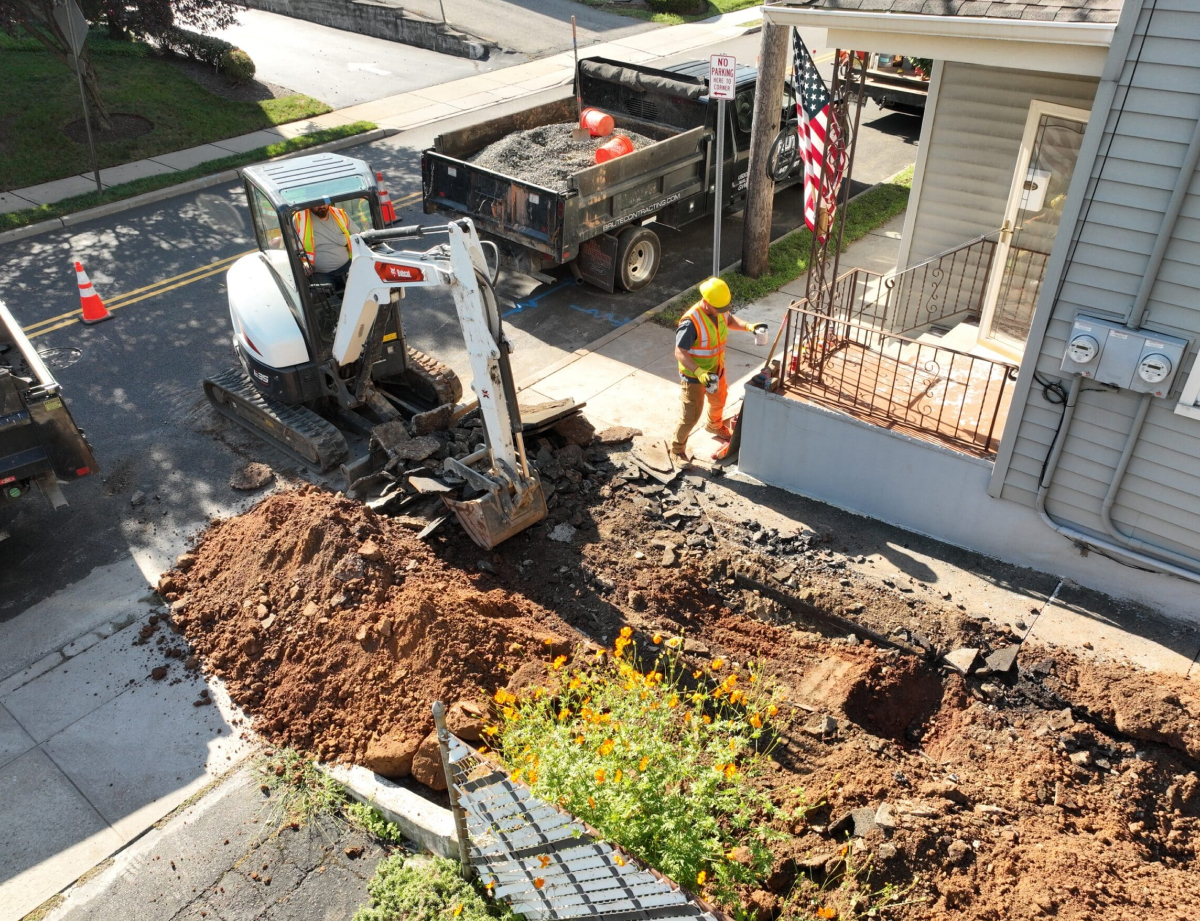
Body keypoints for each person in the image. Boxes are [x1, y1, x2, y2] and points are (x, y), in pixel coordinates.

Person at [671, 277, 764, 460]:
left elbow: (729, 320)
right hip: (694, 377)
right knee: (691, 416)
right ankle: (677, 450)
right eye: (718, 309)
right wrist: (699, 372)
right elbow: (680, 351)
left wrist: (748, 326)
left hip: (716, 370)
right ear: (706, 302)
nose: (722, 312)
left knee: (719, 400)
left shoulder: (719, 309)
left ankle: (714, 425)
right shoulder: (691, 322)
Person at [292, 200, 361, 288]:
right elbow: (290, 247)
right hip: (319, 275)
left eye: (323, 202)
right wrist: (302, 263)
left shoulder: (340, 214)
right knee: (327, 301)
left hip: (348, 268)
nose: (321, 206)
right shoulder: (299, 219)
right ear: (309, 204)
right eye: (316, 203)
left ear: (328, 202)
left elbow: (359, 235)